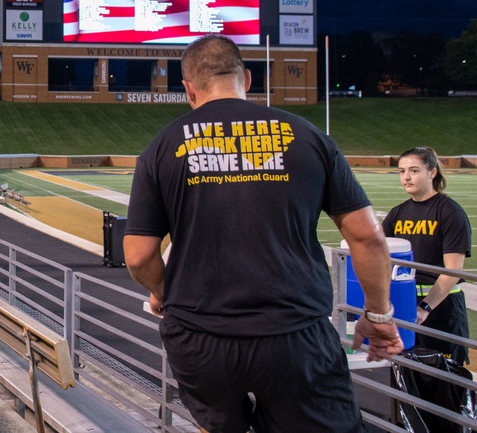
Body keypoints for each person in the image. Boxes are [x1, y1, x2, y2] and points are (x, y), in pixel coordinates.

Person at [123, 34, 403, 433]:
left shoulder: (161, 147)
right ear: (247, 80)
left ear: (188, 88)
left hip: (201, 336)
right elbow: (367, 237)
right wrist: (377, 314)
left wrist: (165, 294)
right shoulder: (308, 136)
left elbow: (138, 256)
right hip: (295, 334)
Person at [383, 146, 471, 365]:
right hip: (404, 302)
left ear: (432, 172)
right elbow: (378, 256)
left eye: (414, 170)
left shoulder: (450, 212)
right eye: (401, 171)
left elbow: (452, 270)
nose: (406, 177)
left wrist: (425, 307)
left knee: (446, 381)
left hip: (441, 308)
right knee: (408, 372)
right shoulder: (397, 213)